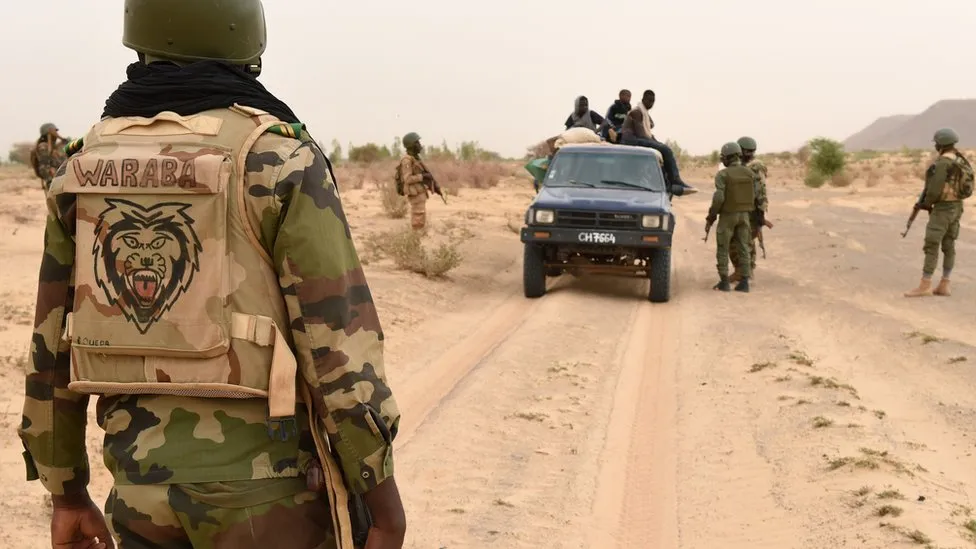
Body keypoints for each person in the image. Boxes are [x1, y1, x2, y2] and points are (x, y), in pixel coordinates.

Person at [16, 2, 406, 549]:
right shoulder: (278, 157)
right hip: (267, 493)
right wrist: (380, 496)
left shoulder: (80, 165)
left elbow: (52, 344)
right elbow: (336, 344)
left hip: (139, 488)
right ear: (245, 38)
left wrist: (67, 493)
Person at [904, 128, 972, 297]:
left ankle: (925, 285)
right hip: (957, 207)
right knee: (949, 245)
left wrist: (926, 204)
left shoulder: (943, 162)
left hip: (943, 209)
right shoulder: (960, 159)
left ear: (940, 144)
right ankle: (944, 283)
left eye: (936, 143)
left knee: (932, 244)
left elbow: (934, 189)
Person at [620, 92, 693, 194]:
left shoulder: (643, 112)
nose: (651, 103)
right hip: (631, 141)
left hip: (636, 139)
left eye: (653, 101)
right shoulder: (636, 112)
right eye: (649, 100)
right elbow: (642, 134)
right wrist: (658, 145)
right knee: (666, 150)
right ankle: (675, 180)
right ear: (643, 99)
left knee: (663, 149)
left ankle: (668, 182)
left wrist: (657, 143)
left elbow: (650, 128)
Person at [706, 142, 755, 292]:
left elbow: (719, 198)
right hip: (745, 215)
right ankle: (744, 282)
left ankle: (724, 282)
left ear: (727, 157)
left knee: (723, 247)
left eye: (723, 157)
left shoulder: (723, 175)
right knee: (744, 247)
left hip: (728, 216)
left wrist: (712, 215)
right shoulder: (749, 173)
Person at [730, 136, 769, 282]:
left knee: (743, 240)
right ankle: (743, 271)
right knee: (743, 240)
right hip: (743, 208)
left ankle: (745, 272)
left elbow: (760, 191)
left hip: (751, 210)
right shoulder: (744, 165)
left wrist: (760, 213)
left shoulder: (755, 166)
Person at [397, 131, 434, 230]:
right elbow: (407, 179)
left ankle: (418, 236)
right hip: (415, 194)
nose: (420, 145)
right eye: (417, 143)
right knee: (418, 219)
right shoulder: (407, 160)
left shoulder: (415, 159)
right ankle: (415, 237)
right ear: (411, 145)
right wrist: (422, 176)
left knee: (420, 218)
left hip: (419, 193)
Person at [29, 122, 67, 191]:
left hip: (57, 177)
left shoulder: (52, 147)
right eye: (54, 132)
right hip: (52, 179)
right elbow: (45, 163)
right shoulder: (43, 146)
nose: (56, 135)